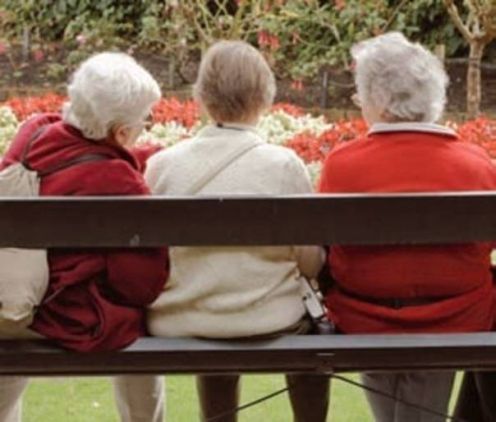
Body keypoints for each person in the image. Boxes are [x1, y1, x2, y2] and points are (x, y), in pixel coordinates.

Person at [115, 40, 330, 422]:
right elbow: (310, 263)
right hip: (269, 317)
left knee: (214, 310)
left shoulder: (163, 165)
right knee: (310, 330)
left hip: (184, 316)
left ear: (201, 96)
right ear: (264, 98)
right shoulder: (284, 166)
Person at [319, 32, 496, 422]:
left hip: (363, 317)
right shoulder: (476, 164)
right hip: (457, 318)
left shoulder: (342, 165)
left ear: (378, 100)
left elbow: (326, 250)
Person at [0, 52, 169, 422]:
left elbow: (72, 167)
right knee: (137, 317)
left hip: (14, 299)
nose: (147, 126)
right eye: (145, 120)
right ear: (120, 133)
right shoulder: (121, 182)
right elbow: (142, 284)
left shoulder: (33, 132)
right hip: (68, 316)